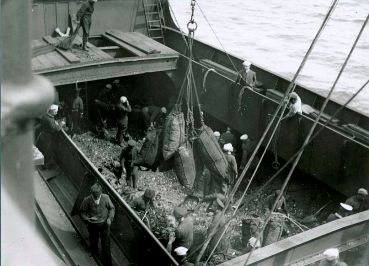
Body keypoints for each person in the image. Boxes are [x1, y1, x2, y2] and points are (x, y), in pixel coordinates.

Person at [79, 183, 115, 266]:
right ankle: (94, 253)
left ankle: (107, 262)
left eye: (98, 195)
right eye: (94, 195)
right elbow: (82, 212)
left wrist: (110, 218)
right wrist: (88, 219)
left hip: (105, 224)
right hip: (93, 225)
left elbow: (112, 208)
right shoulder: (86, 200)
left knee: (106, 243)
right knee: (93, 240)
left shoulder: (106, 198)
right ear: (91, 193)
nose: (96, 197)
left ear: (101, 192)